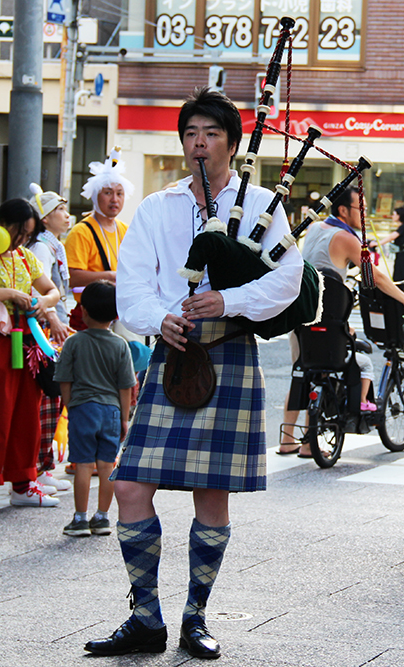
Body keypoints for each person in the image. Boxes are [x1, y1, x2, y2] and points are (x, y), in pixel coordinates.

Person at [84, 87, 303, 658]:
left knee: (213, 493)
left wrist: (227, 301)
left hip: (229, 350)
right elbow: (130, 284)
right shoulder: (158, 208)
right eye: (190, 134)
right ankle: (145, 616)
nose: (198, 143)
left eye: (210, 133)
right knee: (129, 484)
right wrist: (161, 318)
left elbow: (287, 281)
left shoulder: (264, 207)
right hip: (174, 352)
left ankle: (196, 617)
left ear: (231, 143)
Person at [278, 188, 404, 456]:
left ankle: (288, 438)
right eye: (359, 208)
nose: (364, 214)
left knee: (302, 371)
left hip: (298, 312)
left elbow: (323, 264)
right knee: (325, 371)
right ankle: (308, 444)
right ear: (343, 211)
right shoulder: (345, 238)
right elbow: (376, 278)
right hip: (325, 317)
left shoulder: (316, 228)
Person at [0, 199, 62, 511]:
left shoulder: (26, 257)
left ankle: (23, 482)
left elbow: (52, 290)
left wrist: (44, 304)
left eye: (26, 234)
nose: (19, 240)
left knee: (27, 413)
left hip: (28, 341)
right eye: (17, 232)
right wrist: (12, 294)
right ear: (1, 223)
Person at [54, 280, 135, 537]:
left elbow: (64, 379)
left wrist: (71, 406)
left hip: (83, 409)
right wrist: (124, 418)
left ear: (84, 311)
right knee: (107, 466)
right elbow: (126, 386)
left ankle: (79, 518)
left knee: (84, 465)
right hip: (111, 411)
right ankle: (102, 517)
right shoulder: (120, 344)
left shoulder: (74, 342)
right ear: (116, 314)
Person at [27, 186, 74, 492]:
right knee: (49, 399)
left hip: (53, 328)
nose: (65, 214)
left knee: (53, 401)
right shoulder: (43, 249)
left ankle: (44, 464)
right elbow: (39, 292)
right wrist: (55, 319)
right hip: (47, 332)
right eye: (59, 209)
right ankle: (41, 465)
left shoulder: (52, 245)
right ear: (44, 218)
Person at [65, 147, 134, 332]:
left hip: (121, 310)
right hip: (91, 315)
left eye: (119, 194)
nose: (115, 199)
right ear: (96, 195)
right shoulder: (81, 231)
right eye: (108, 193)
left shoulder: (126, 229)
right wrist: (110, 276)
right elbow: (71, 277)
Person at [377, 206, 404, 281]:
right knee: (398, 277)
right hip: (402, 256)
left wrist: (378, 243)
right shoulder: (403, 227)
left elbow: (391, 237)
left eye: (394, 214)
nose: (392, 216)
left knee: (399, 278)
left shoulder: (403, 227)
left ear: (399, 216)